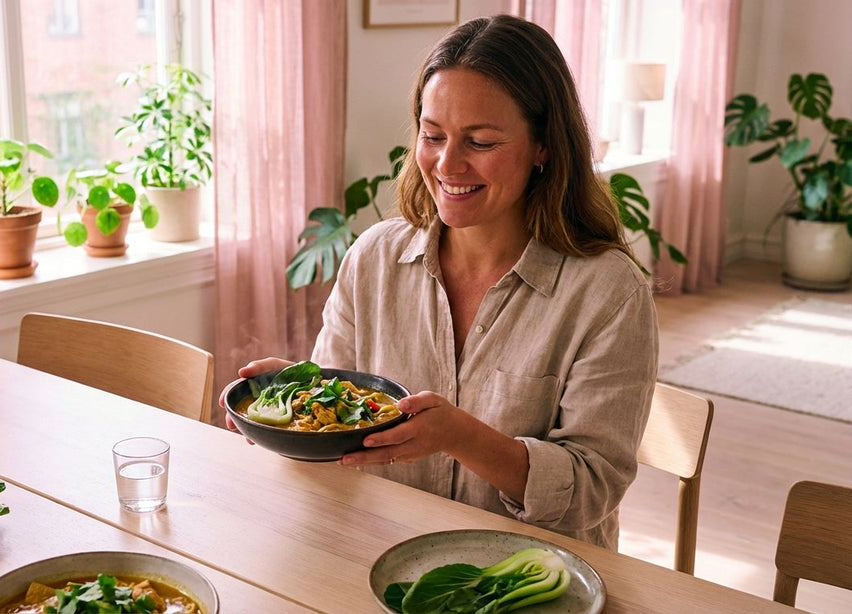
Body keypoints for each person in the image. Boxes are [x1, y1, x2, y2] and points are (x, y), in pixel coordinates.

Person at [224, 14, 657, 550]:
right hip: (379, 549)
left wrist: (459, 436)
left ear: (543, 146)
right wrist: (296, 400)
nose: (447, 164)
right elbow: (345, 426)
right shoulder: (374, 258)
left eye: (480, 141)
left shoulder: (608, 294)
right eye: (433, 135)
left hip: (530, 574)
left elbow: (593, 489)